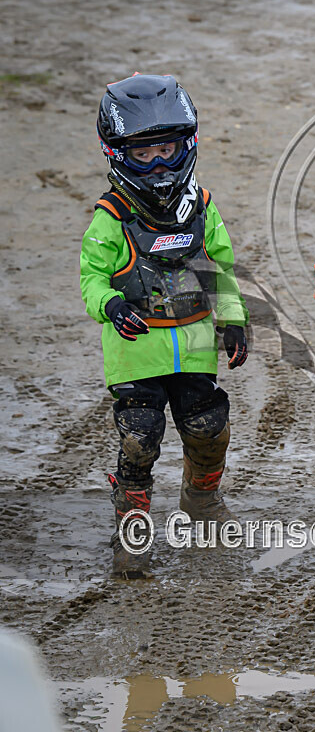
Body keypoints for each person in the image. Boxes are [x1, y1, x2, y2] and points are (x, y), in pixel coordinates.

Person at [80, 73, 249, 578]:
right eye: (143, 153)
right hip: (135, 352)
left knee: (209, 427)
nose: (157, 164)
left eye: (166, 150)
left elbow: (219, 269)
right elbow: (91, 277)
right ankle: (132, 528)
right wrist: (111, 304)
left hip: (194, 344)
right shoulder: (112, 217)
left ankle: (202, 500)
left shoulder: (201, 209)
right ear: (118, 154)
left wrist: (233, 321)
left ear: (186, 146)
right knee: (140, 437)